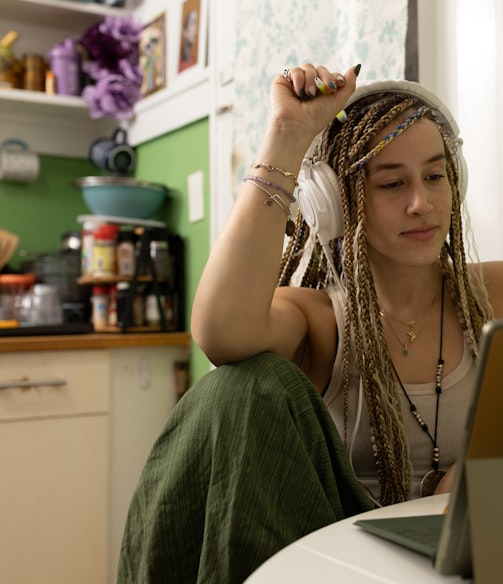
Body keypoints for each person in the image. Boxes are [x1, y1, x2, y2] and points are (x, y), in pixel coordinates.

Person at [118, 64, 503, 583]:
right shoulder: (316, 318)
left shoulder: (491, 295)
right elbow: (220, 332)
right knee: (240, 386)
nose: (422, 203)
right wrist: (287, 137)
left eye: (435, 176)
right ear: (333, 204)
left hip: (474, 550)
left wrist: (478, 475)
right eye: (393, 183)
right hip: (339, 552)